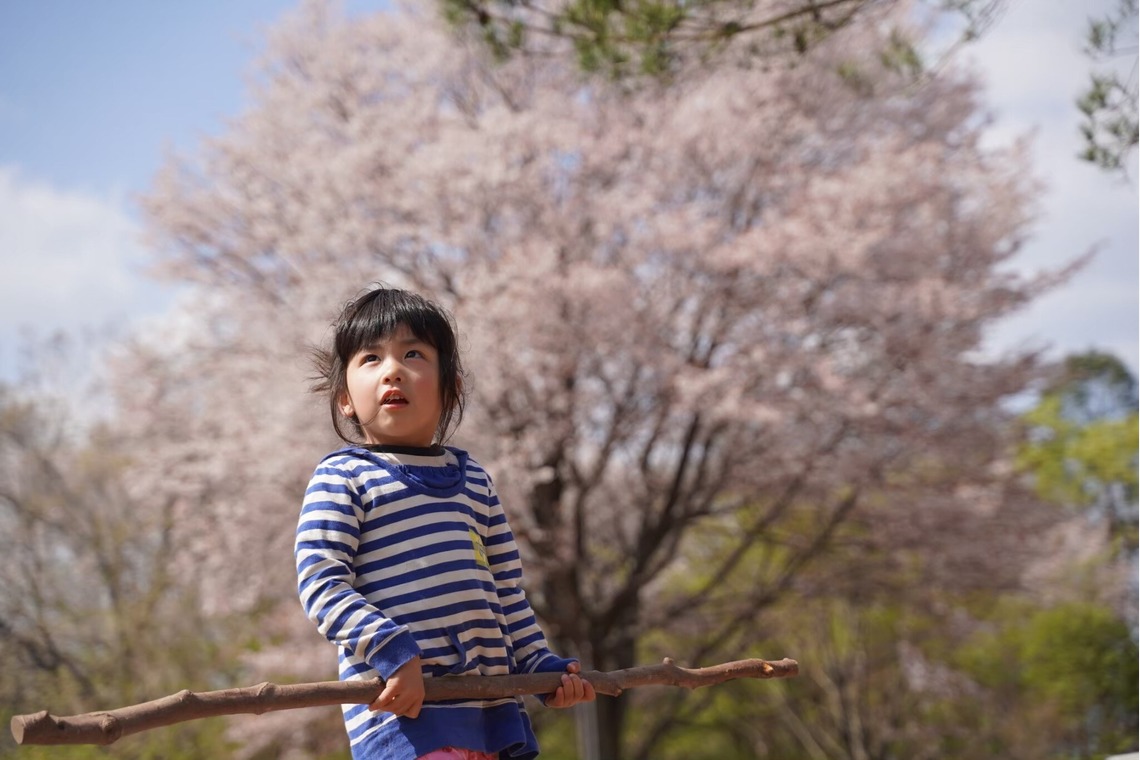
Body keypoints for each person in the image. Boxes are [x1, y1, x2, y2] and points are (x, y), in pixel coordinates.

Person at [296, 286, 595, 760]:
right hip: (407, 716)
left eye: (413, 354)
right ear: (344, 400)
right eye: (370, 359)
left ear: (450, 386)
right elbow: (321, 583)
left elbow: (506, 589)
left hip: (490, 712)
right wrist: (395, 652)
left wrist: (539, 665)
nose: (392, 370)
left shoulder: (474, 480)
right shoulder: (343, 476)